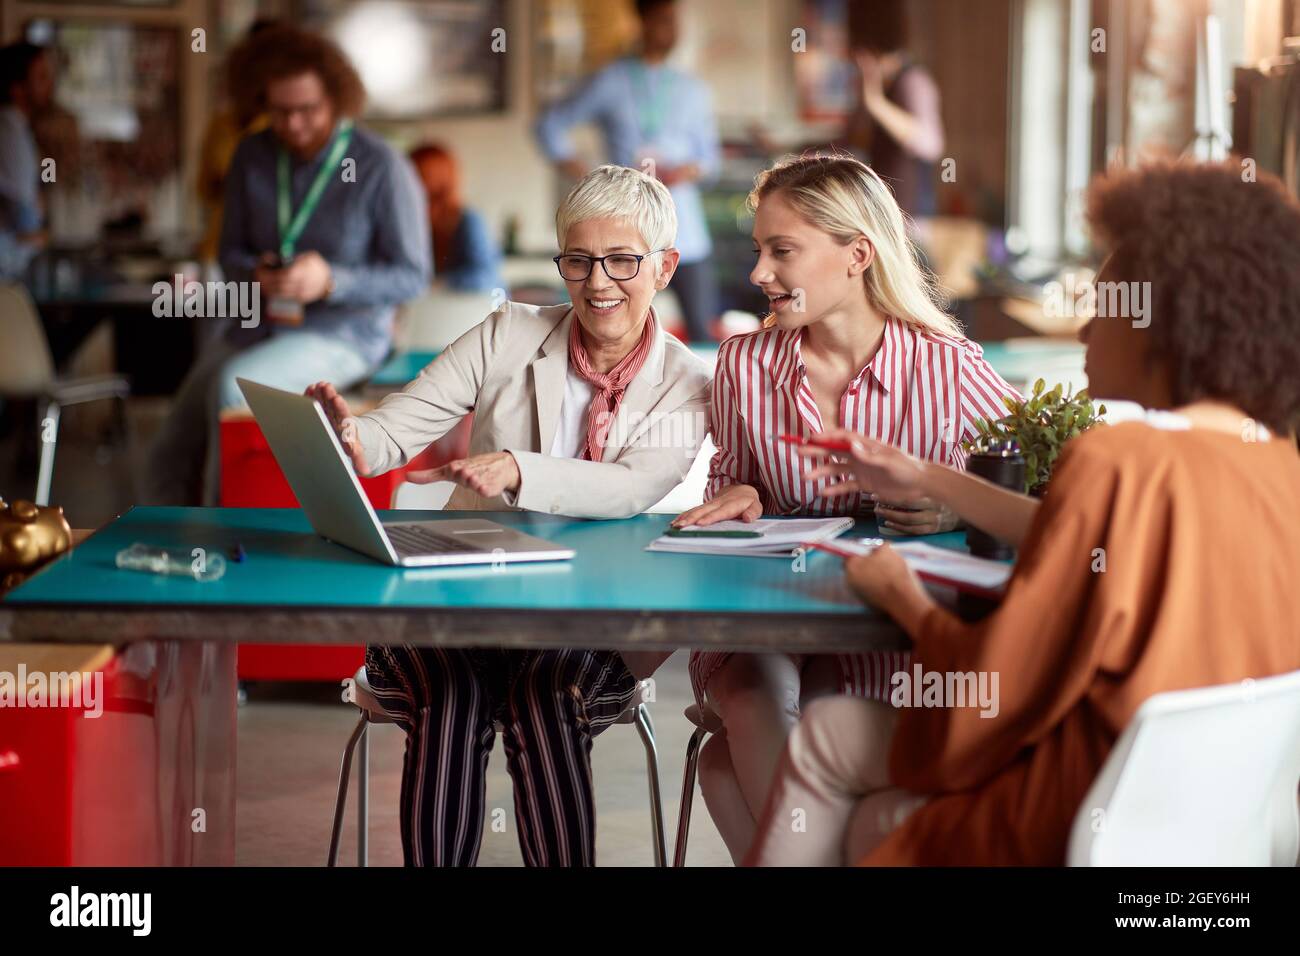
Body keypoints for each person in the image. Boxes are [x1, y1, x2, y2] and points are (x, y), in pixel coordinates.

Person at [748, 158, 1300, 865]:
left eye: (1105, 308)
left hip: (1076, 803)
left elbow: (989, 693)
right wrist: (925, 474)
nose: (1084, 334)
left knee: (831, 741)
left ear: (1172, 324)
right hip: (1207, 830)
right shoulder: (1275, 464)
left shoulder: (1118, 461)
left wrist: (904, 599)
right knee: (872, 817)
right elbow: (1085, 534)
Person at [307, 165, 711, 866]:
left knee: (546, 699)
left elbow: (632, 489)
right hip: (460, 605)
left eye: (622, 261)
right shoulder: (508, 333)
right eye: (578, 261)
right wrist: (351, 437)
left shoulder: (688, 384)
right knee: (453, 696)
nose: (597, 282)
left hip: (592, 625)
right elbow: (395, 429)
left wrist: (519, 468)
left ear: (666, 267)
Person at [671, 152, 1019, 863]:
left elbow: (1046, 486)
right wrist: (741, 494)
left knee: (723, 767)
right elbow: (732, 482)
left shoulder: (948, 367)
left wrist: (956, 510)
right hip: (766, 620)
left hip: (894, 635)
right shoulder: (743, 364)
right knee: (750, 693)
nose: (759, 273)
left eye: (782, 251)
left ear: (857, 254)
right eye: (760, 250)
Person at [143, 26, 430, 506]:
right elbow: (229, 254)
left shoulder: (381, 165)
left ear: (337, 101)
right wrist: (255, 273)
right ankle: (163, 552)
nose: (294, 124)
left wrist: (332, 280)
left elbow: (412, 275)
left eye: (308, 110)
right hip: (255, 326)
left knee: (233, 391)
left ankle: (224, 541)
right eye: (281, 112)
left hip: (345, 334)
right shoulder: (251, 156)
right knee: (168, 451)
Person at [535, 0, 722, 342]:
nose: (671, 30)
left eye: (676, 22)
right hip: (623, 230)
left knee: (700, 332)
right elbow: (548, 125)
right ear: (642, 22)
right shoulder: (610, 80)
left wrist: (686, 171)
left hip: (686, 233)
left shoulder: (692, 89)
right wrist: (588, 176)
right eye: (664, 20)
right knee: (616, 329)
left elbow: (710, 158)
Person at [837, 0, 944, 219]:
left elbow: (931, 144)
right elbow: (854, 141)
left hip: (911, 219)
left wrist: (876, 104)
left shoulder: (913, 81)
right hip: (881, 212)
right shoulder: (875, 84)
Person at [409, 142, 504, 293]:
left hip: (473, 310)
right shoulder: (412, 222)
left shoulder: (468, 220)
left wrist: (434, 285)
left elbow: (485, 277)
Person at [0, 42, 54, 281]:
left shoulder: (19, 129)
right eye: (41, 77)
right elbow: (27, 220)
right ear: (18, 89)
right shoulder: (9, 131)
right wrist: (40, 233)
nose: (49, 85)